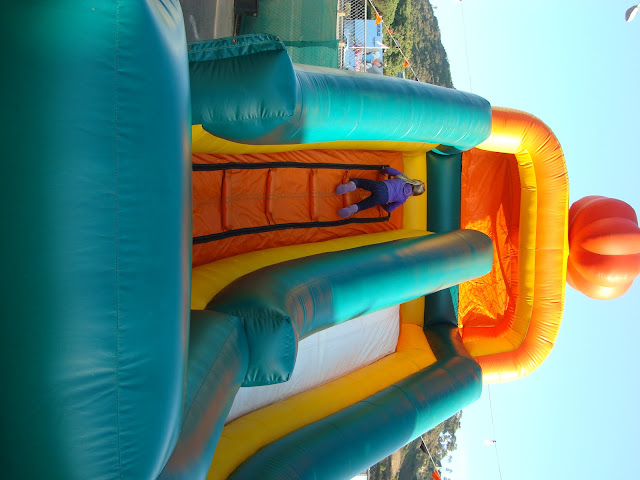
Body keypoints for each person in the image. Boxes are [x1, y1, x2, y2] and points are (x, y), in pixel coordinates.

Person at [336, 167, 425, 218]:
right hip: (382, 199)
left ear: (412, 181)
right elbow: (389, 209)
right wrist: (382, 204)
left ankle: (352, 185)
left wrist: (382, 171)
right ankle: (352, 209)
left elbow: (389, 170)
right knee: (363, 205)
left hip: (380, 186)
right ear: (413, 195)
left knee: (359, 182)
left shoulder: (403, 178)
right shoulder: (403, 199)